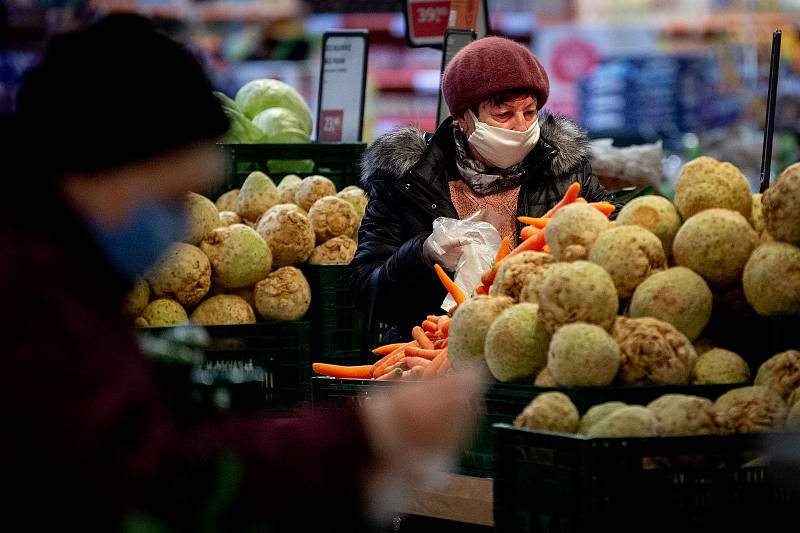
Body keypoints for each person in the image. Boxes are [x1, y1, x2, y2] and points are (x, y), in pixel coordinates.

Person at [0, 15, 482, 530]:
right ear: (92, 164)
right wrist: (366, 436)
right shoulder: (27, 302)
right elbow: (149, 479)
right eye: (168, 198)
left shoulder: (67, 278)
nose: (181, 223)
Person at [350, 36, 621, 343]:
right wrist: (422, 253)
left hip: (540, 340)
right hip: (434, 352)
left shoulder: (563, 169)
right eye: (503, 115)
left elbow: (614, 230)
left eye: (529, 112)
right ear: (463, 119)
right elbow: (365, 290)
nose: (521, 126)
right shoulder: (406, 178)